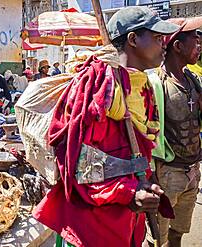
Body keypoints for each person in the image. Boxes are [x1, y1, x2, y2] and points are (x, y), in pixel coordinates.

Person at [31, 6, 180, 246]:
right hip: (95, 224)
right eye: (157, 37)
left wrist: (144, 182)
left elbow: (136, 152)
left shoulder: (141, 86)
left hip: (128, 221)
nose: (165, 44)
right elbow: (78, 165)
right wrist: (128, 192)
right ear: (133, 39)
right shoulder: (100, 88)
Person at [148, 17, 202, 247]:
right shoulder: (156, 83)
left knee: (178, 233)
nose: (199, 46)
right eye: (195, 40)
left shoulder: (193, 79)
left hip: (192, 170)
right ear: (177, 46)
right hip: (167, 173)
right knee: (157, 239)